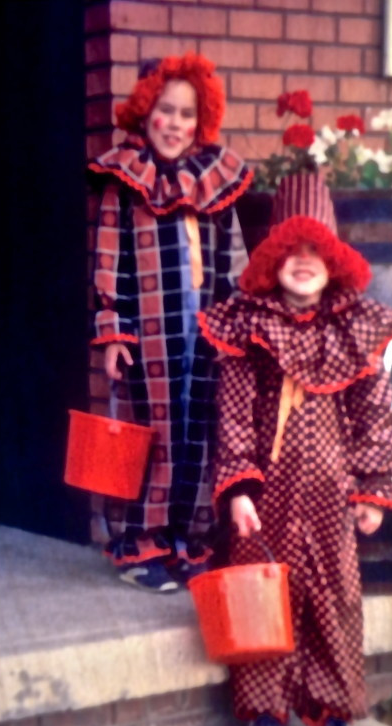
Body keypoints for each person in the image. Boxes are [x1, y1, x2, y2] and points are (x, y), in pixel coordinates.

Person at [198, 173, 392, 726]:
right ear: (272, 259)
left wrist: (371, 488)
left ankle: (332, 714)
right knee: (264, 599)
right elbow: (233, 416)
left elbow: (374, 413)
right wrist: (238, 487)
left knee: (333, 598)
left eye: (316, 250)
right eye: (291, 249)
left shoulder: (352, 330)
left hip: (331, 497)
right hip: (267, 498)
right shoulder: (249, 326)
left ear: (333, 261)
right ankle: (265, 711)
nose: (304, 261)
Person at [86, 53, 252, 592]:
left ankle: (188, 540)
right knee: (154, 436)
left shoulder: (214, 179)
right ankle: (142, 544)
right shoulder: (125, 181)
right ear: (144, 111)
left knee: (198, 434)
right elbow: (107, 260)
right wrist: (112, 331)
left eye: (187, 114)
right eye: (166, 111)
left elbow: (233, 259)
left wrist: (241, 323)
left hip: (206, 334)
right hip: (149, 337)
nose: (176, 124)